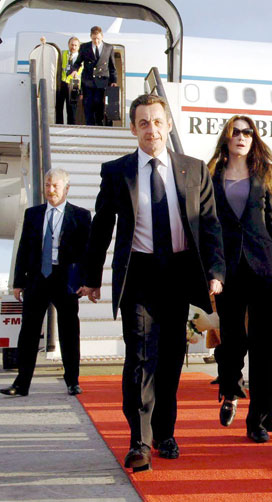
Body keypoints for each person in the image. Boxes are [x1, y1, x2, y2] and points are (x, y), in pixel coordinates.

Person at [80, 94, 225, 472]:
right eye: (143, 122)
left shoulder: (194, 170)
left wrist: (216, 271)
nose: (151, 129)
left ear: (168, 125)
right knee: (141, 356)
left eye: (158, 121)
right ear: (133, 128)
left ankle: (164, 433)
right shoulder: (118, 172)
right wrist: (91, 277)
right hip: (139, 274)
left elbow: (210, 225)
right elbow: (101, 226)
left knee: (172, 358)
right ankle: (139, 442)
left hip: (178, 274)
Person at [207, 115, 272, 443]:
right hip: (227, 270)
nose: (242, 137)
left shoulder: (265, 174)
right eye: (236, 132)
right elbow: (206, 226)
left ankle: (259, 421)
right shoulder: (211, 175)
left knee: (262, 347)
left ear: (254, 138)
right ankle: (231, 389)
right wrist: (210, 270)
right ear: (226, 137)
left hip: (263, 268)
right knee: (232, 339)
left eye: (248, 132)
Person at [1, 169, 91, 398]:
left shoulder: (80, 216)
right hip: (37, 279)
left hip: (66, 280)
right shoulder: (33, 214)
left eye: (55, 186)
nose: (50, 190)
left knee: (69, 332)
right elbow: (23, 248)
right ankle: (22, 384)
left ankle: (72, 381)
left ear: (66, 189)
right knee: (28, 332)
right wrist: (18, 282)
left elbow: (87, 252)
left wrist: (86, 281)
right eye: (47, 185)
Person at [70, 26, 117, 126]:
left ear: (102, 37)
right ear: (91, 37)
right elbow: (78, 62)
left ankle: (99, 125)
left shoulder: (109, 48)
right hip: (88, 82)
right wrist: (74, 70)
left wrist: (114, 81)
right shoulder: (85, 47)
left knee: (99, 105)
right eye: (94, 38)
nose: (96, 41)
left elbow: (112, 67)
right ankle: (89, 126)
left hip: (102, 82)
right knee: (88, 106)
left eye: (98, 38)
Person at [56, 37, 82, 125]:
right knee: (59, 107)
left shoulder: (81, 57)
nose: (73, 47)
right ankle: (58, 126)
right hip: (62, 84)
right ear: (68, 45)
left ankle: (71, 127)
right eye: (72, 45)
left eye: (75, 45)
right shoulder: (63, 53)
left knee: (71, 109)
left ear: (78, 46)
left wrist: (82, 91)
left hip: (74, 85)